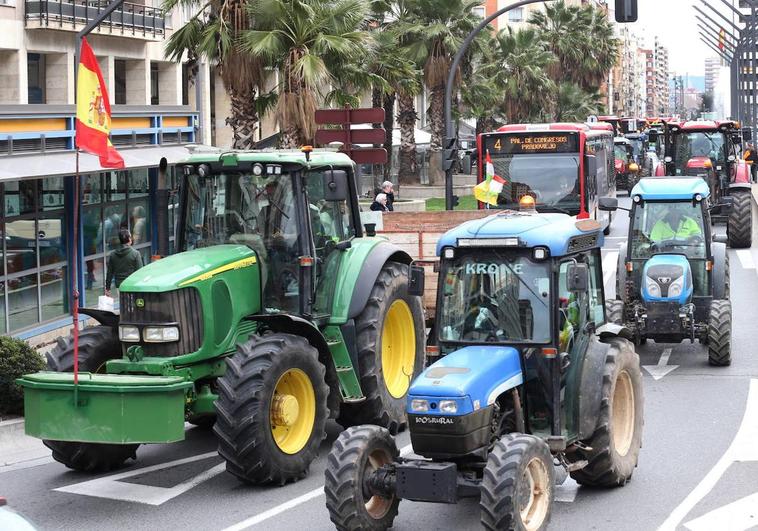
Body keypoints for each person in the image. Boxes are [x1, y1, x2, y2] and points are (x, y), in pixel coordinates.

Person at [104, 229, 143, 297]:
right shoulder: (135, 254)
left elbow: (109, 273)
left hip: (120, 286)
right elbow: (140, 272)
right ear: (129, 239)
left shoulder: (113, 255)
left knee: (123, 305)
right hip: (132, 285)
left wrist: (107, 288)